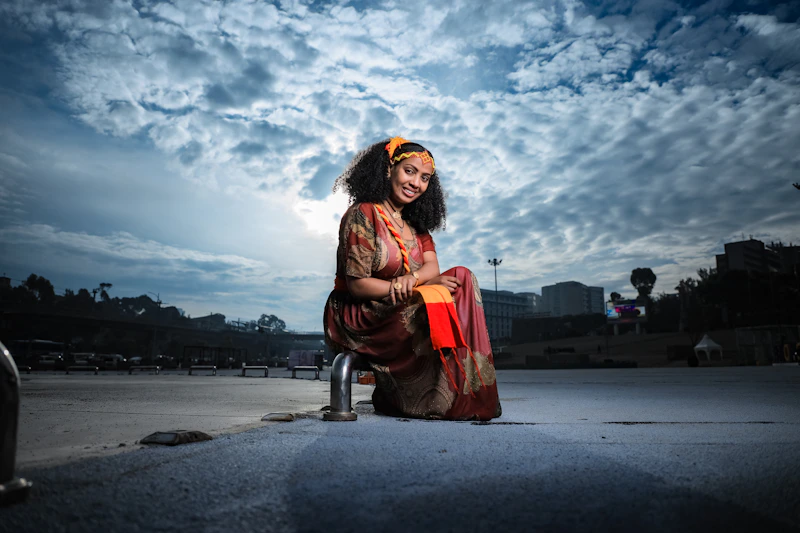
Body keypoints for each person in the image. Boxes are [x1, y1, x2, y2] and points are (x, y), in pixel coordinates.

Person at [323, 137, 500, 420]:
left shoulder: (416, 227)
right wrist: (411, 288)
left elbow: (432, 268)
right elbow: (357, 286)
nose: (416, 183)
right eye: (410, 171)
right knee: (436, 299)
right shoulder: (363, 213)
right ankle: (416, 400)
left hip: (400, 304)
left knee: (462, 277)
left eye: (425, 177)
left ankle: (466, 393)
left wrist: (414, 280)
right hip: (361, 315)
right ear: (388, 169)